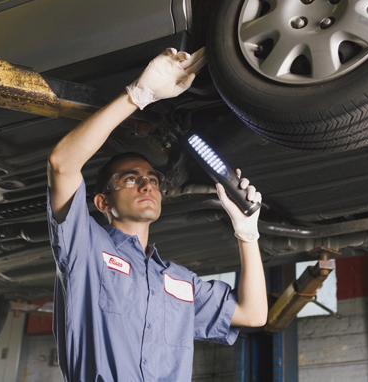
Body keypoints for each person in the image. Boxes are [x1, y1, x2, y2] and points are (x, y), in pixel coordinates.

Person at [47, 47, 268, 381]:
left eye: (152, 179)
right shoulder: (87, 249)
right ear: (103, 203)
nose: (147, 185)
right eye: (131, 179)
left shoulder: (178, 281)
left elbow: (253, 314)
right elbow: (62, 165)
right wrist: (139, 95)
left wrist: (247, 233)